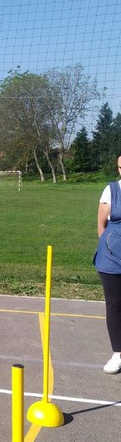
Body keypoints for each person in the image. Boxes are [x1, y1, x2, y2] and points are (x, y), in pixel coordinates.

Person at [94, 154, 121, 374]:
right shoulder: (111, 190)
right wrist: (111, 249)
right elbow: (101, 226)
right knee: (114, 306)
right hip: (112, 261)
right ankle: (118, 354)